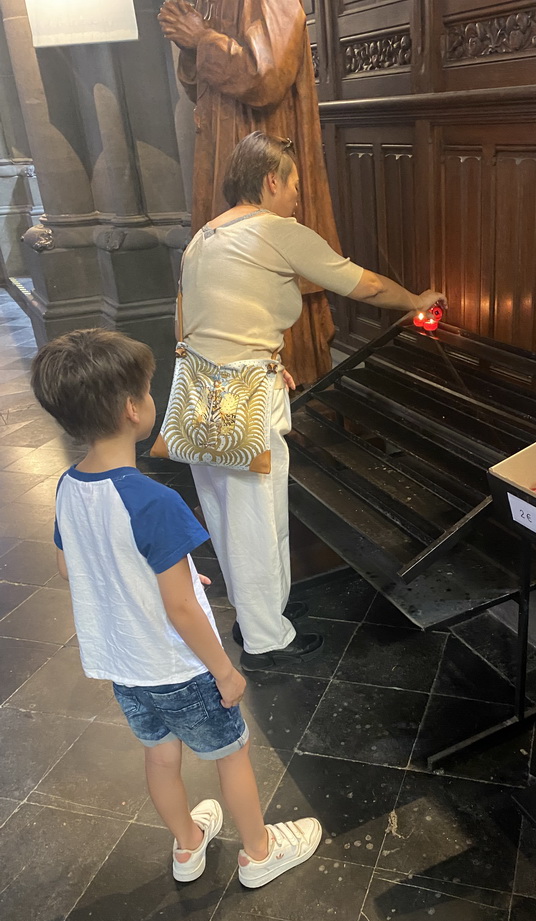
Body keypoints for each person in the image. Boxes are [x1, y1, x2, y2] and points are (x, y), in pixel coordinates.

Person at [30, 328, 322, 888]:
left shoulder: (68, 487)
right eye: (148, 389)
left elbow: (74, 568)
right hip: (180, 668)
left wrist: (176, 571)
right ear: (133, 409)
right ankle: (259, 853)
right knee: (231, 754)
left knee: (160, 758)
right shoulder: (153, 500)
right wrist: (225, 670)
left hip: (124, 668)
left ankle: (187, 845)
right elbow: (183, 611)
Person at [176, 131, 446, 672]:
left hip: (197, 387)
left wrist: (263, 356)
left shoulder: (205, 235)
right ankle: (266, 641)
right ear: (270, 181)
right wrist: (416, 299)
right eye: (294, 184)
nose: (298, 196)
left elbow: (186, 316)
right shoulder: (275, 230)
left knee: (227, 512)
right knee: (256, 515)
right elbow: (361, 285)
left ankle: (260, 612)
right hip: (243, 398)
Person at [157, 0, 339, 387]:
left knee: (269, 272)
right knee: (228, 277)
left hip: (263, 148)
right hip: (224, 153)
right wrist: (193, 48)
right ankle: (238, 392)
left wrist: (202, 39)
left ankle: (289, 395)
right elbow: (200, 89)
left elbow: (267, 76)